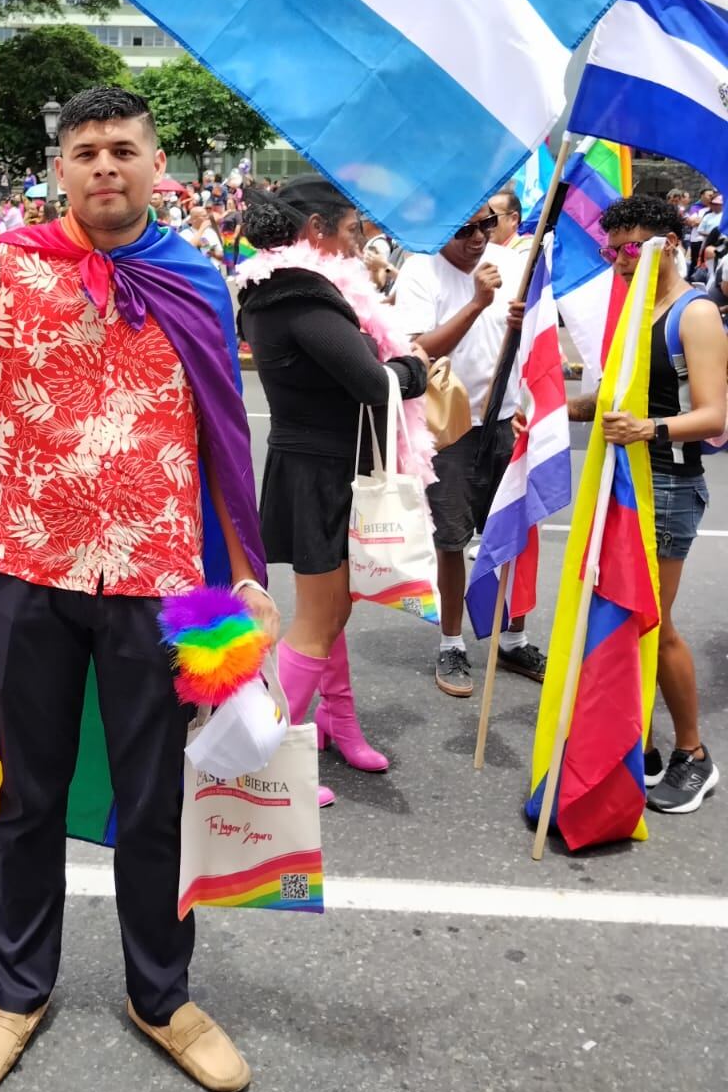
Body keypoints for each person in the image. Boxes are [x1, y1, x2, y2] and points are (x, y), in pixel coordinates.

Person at [0, 85, 272, 1092]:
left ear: (155, 159)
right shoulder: (7, 267)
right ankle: (17, 989)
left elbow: (222, 436)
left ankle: (162, 995)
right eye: (84, 149)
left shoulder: (196, 278)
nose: (103, 165)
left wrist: (249, 579)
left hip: (168, 581)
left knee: (158, 796)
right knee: (29, 794)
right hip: (25, 572)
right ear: (60, 167)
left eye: (121, 148)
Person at [237, 179, 430, 805]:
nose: (359, 242)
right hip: (320, 473)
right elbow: (374, 384)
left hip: (322, 466)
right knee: (317, 621)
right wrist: (415, 369)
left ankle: (336, 721)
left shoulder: (277, 290)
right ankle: (261, 760)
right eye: (351, 230)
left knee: (334, 611)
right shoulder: (303, 298)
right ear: (316, 229)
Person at [569, 195, 725, 813]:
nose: (622, 261)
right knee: (620, 620)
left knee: (653, 626)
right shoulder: (636, 311)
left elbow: (714, 416)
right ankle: (643, 746)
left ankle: (694, 755)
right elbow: (610, 399)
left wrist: (649, 430)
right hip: (624, 481)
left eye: (633, 248)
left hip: (667, 484)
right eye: (614, 250)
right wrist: (555, 402)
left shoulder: (696, 313)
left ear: (668, 243)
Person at [393, 204, 542, 697]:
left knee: (513, 534)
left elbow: (536, 339)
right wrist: (477, 302)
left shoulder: (514, 263)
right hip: (449, 429)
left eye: (486, 224)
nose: (479, 236)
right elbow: (418, 352)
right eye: (464, 228)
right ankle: (452, 644)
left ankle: (514, 638)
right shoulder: (420, 269)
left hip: (507, 420)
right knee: (451, 540)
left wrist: (526, 324)